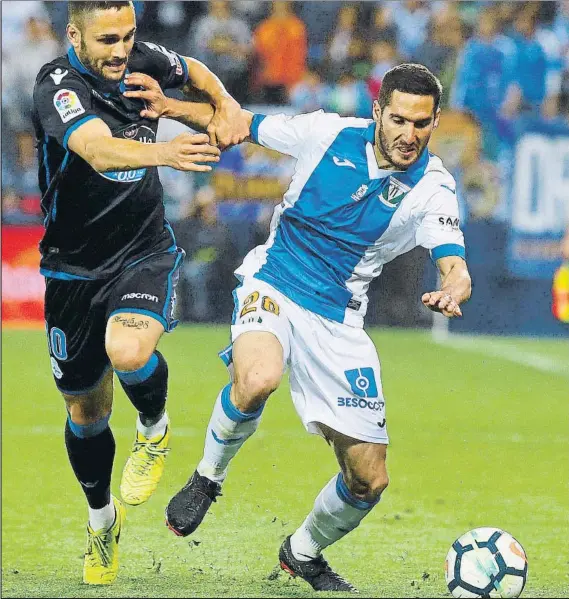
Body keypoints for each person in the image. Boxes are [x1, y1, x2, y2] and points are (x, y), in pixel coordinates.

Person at [134, 63, 471, 591]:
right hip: (274, 281)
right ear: (378, 112)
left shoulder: (433, 188)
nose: (409, 135)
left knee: (368, 479)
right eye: (399, 120)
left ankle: (302, 551)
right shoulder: (327, 132)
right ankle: (207, 477)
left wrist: (453, 285)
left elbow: (454, 262)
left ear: (434, 123)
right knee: (257, 378)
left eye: (422, 124)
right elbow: (236, 121)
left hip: (338, 319)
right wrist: (171, 106)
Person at [32, 0, 249, 586]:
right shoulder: (57, 86)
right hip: (73, 272)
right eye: (107, 39)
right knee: (86, 409)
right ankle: (102, 523)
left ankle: (153, 429)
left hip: (143, 252)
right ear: (74, 34)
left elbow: (195, 70)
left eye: (128, 35)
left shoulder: (141, 58)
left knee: (128, 351)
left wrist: (223, 103)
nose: (121, 50)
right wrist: (167, 150)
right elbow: (99, 149)